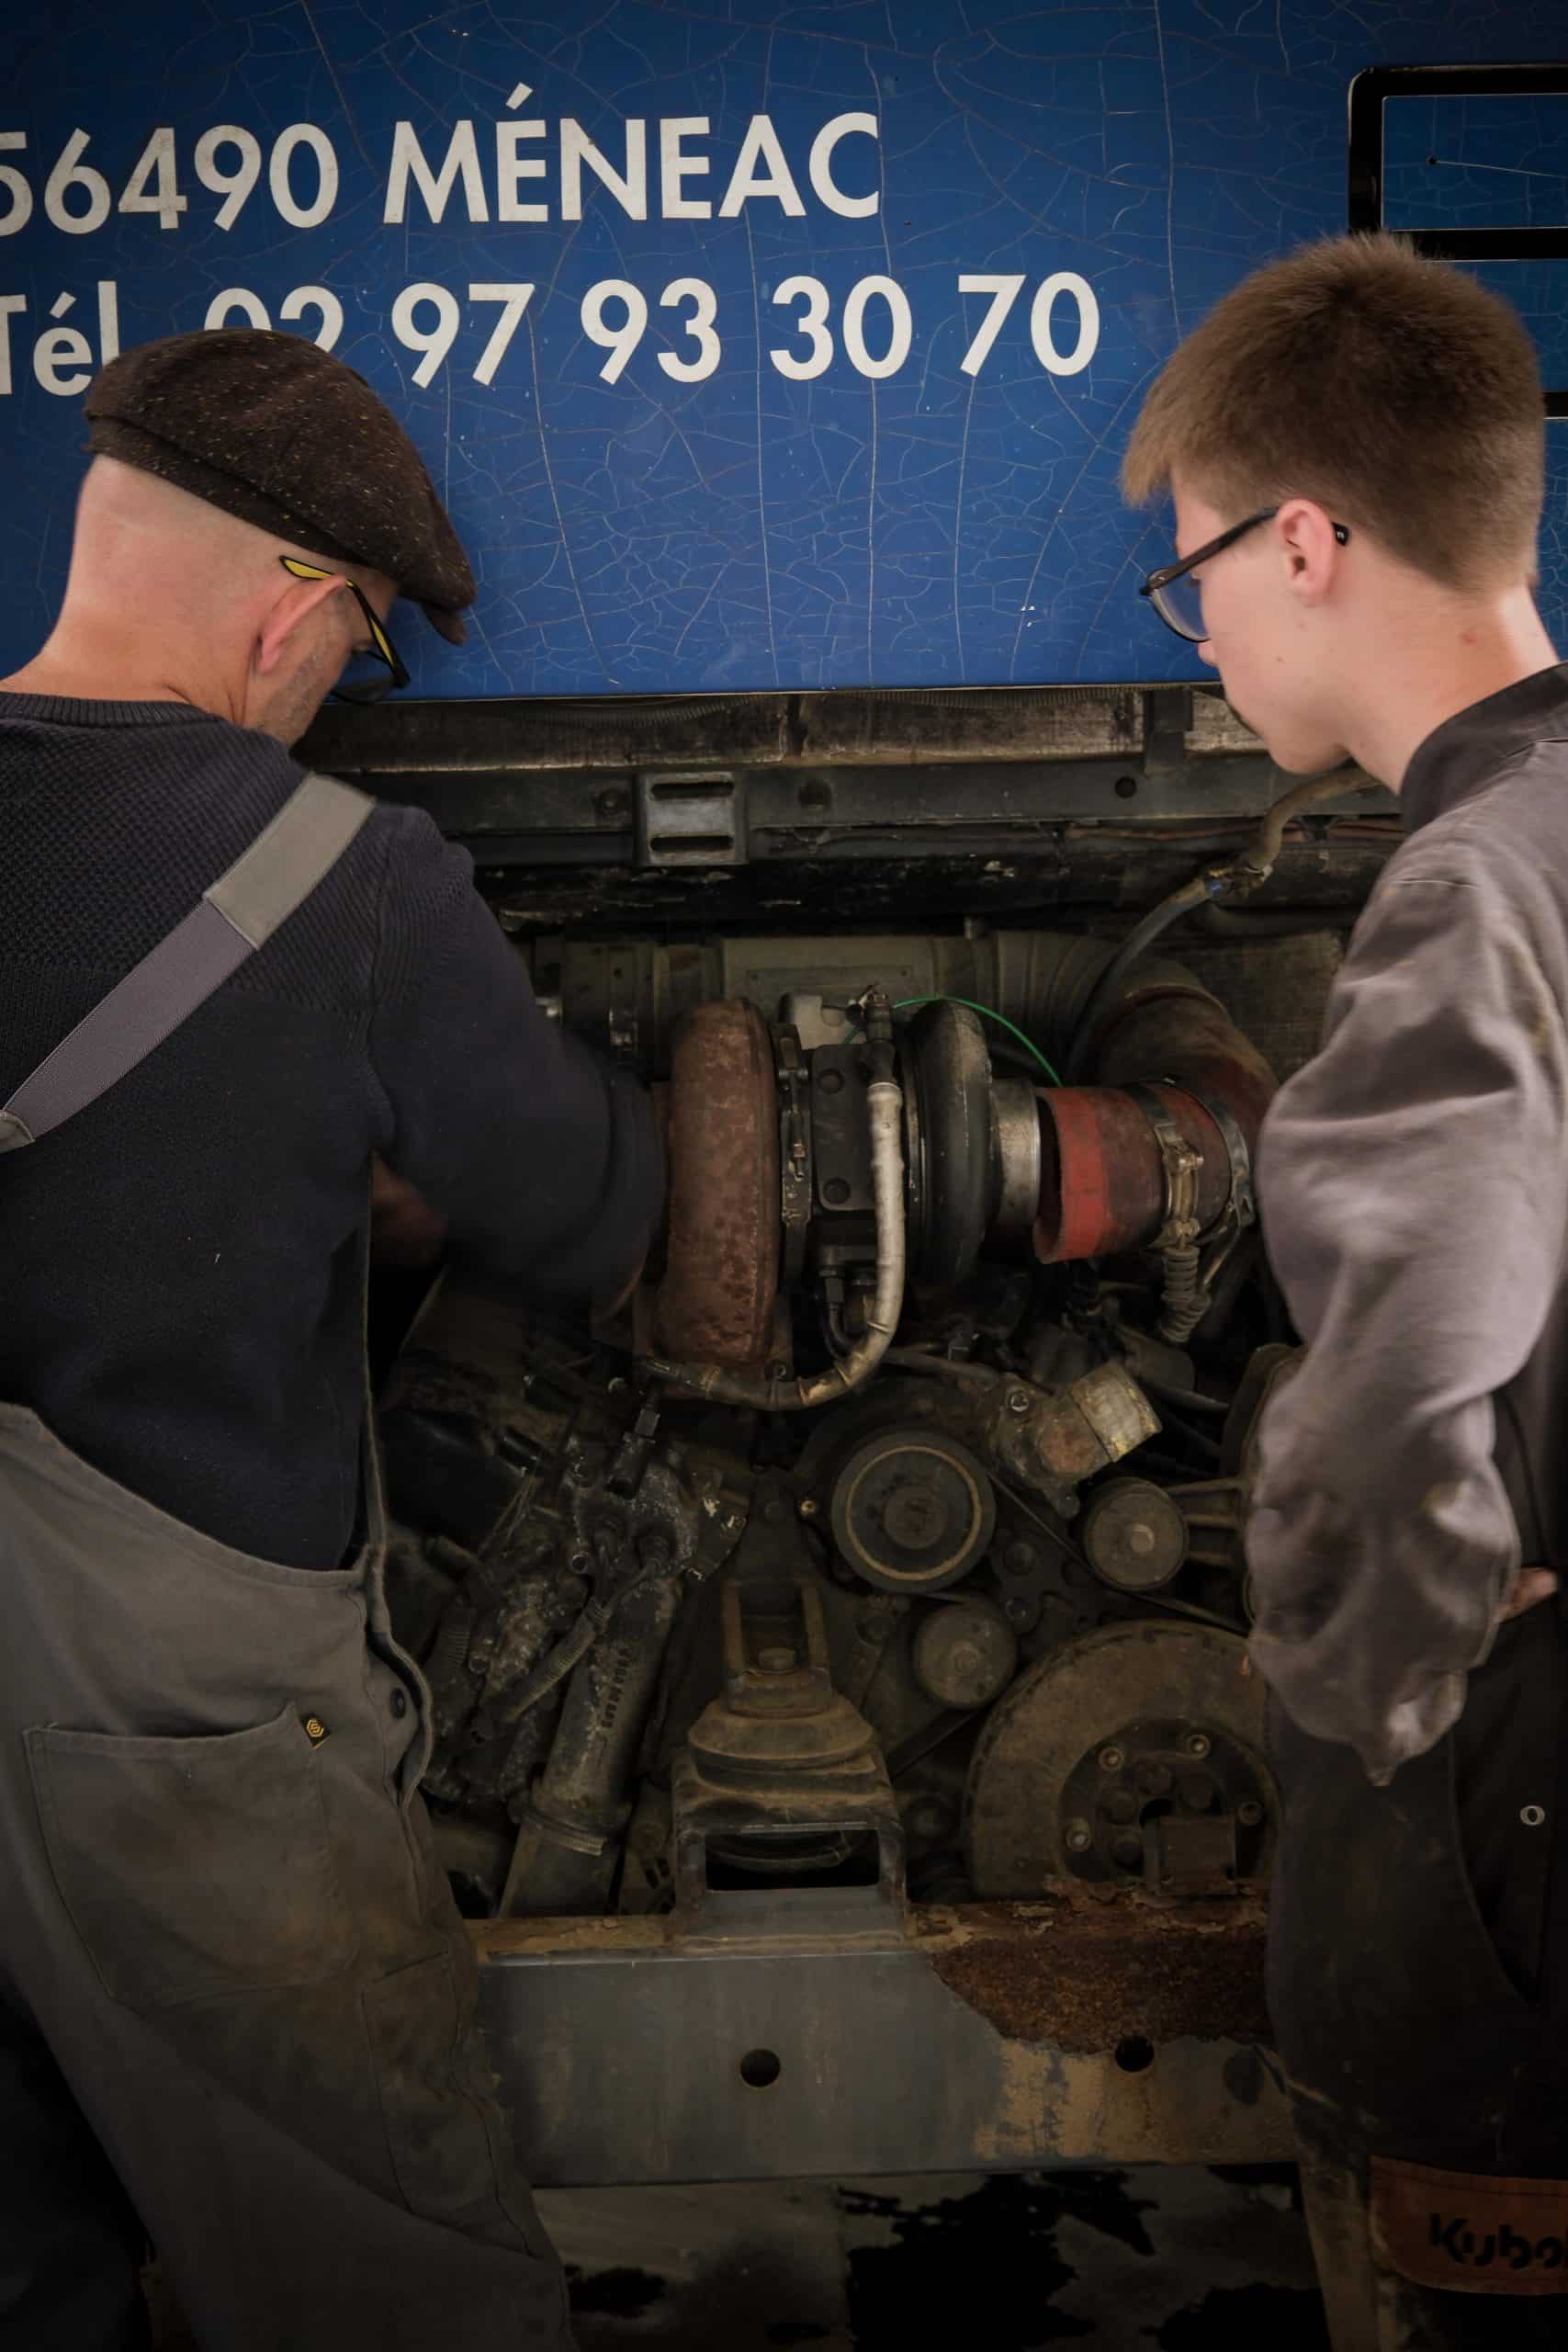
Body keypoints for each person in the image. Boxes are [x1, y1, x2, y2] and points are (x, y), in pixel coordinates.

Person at [0, 327, 663, 2350]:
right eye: (365, 644)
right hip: (180, 1748)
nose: (336, 688)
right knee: (391, 2284)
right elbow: (583, 1208)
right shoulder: (345, 882)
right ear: (295, 607)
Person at [1123, 233, 1568, 2347]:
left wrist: (1343, 1664)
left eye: (1188, 572)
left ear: (1300, 541)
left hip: (1502, 1889)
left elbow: (1394, 1415)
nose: (1196, 628)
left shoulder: (1466, 891)